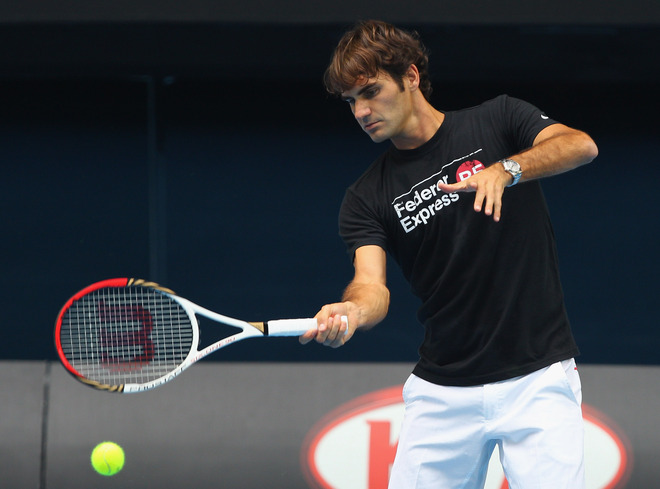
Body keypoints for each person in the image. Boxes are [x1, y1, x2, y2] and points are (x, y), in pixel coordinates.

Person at [299, 19, 598, 489]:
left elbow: (580, 145)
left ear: (411, 76)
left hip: (538, 379)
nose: (361, 111)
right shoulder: (365, 197)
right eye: (351, 101)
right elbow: (371, 285)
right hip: (442, 393)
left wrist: (507, 169)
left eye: (371, 92)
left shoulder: (499, 119)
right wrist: (353, 310)